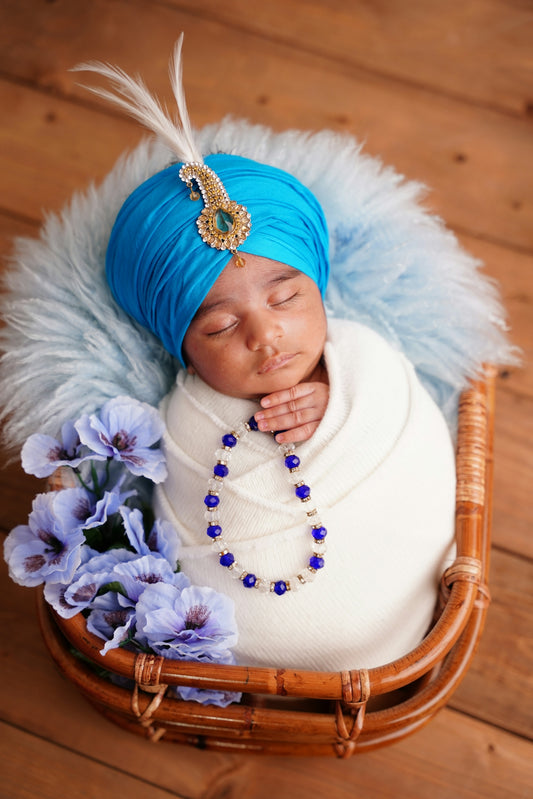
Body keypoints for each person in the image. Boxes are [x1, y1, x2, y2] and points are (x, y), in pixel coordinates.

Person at [87, 39, 456, 671]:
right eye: (221, 326)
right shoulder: (184, 420)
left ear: (319, 286)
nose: (265, 335)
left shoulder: (363, 359)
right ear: (178, 345)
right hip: (257, 649)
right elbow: (182, 519)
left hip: (397, 607)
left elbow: (408, 429)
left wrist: (340, 411)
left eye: (286, 297)